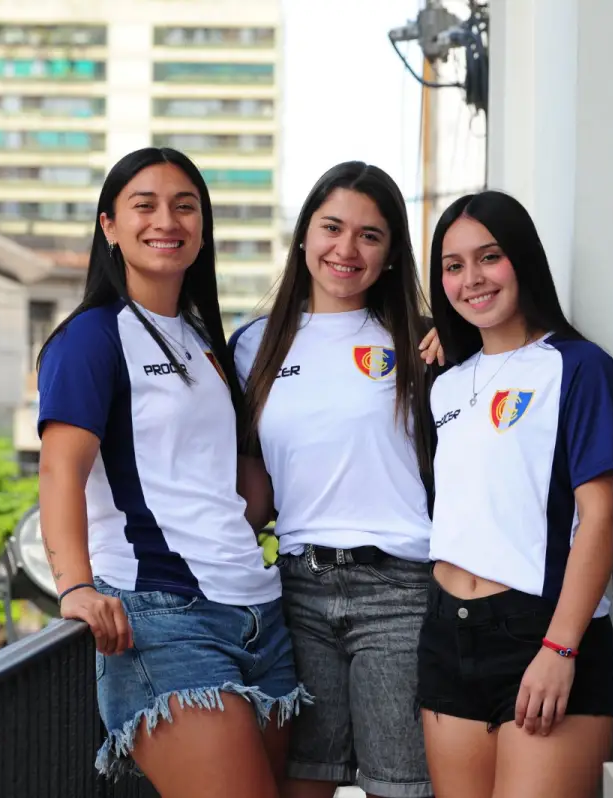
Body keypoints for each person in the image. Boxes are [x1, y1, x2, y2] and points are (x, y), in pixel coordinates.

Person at [35, 147, 311, 798]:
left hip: (261, 614)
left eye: (186, 206)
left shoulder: (204, 338)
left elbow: (233, 482)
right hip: (161, 618)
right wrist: (74, 587)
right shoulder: (90, 338)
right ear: (109, 226)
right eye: (145, 205)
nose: (168, 220)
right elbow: (59, 471)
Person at [231, 161, 438, 798]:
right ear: (304, 235)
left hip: (401, 590)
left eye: (370, 236)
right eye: (331, 227)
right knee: (302, 783)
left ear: (392, 255)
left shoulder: (426, 342)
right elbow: (248, 480)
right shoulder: (253, 346)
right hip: (295, 591)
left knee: (400, 787)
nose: (346, 249)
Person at [417, 190, 613, 798]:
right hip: (447, 634)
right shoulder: (444, 385)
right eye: (453, 266)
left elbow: (602, 517)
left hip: (542, 632)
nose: (471, 279)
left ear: (522, 260)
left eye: (489, 257)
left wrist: (560, 648)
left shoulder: (578, 366)